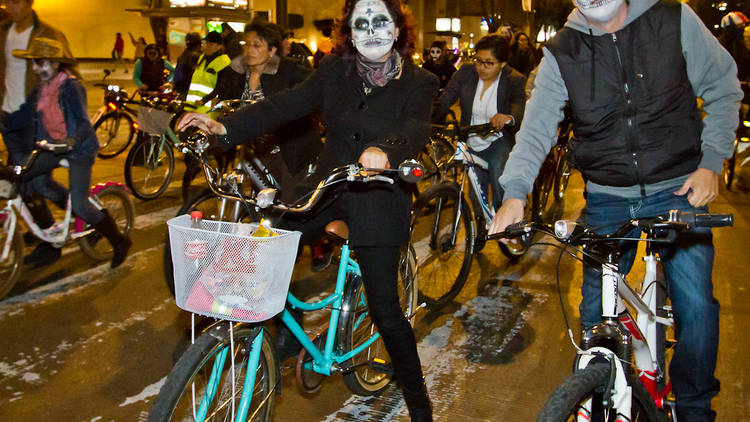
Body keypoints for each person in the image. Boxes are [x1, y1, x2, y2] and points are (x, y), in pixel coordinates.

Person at [177, 0, 438, 419]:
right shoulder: (335, 71)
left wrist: (383, 151)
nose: (371, 30)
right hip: (327, 185)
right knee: (264, 237)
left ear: (397, 28)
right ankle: (281, 334)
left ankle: (420, 405)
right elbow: (284, 105)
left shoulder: (420, 81)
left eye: (381, 22)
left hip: (380, 195)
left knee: (386, 309)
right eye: (361, 23)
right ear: (349, 32)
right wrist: (224, 126)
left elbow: (414, 128)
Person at [489, 1, 742, 420]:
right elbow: (536, 129)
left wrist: (711, 163)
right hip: (607, 194)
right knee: (594, 314)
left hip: (679, 186)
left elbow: (723, 86)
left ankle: (695, 406)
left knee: (695, 306)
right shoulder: (562, 51)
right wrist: (515, 193)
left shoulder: (672, 18)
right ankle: (605, 391)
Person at [3, 36, 132, 268]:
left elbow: (83, 124)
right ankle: (70, 212)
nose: (34, 68)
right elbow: (22, 115)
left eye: (38, 62)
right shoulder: (42, 88)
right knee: (35, 181)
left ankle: (119, 240)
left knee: (81, 204)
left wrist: (71, 141)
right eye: (32, 63)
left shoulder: (71, 87)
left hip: (78, 149)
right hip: (52, 147)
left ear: (54, 63)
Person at [0, 0, 77, 266]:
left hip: (36, 123)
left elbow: (68, 75)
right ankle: (41, 226)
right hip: (9, 118)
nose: (10, 6)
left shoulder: (49, 35)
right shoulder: (3, 31)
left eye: (16, 1)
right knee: (18, 183)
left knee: (35, 184)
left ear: (30, 2)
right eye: (6, 1)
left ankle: (72, 220)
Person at [435, 34, 526, 213]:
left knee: (499, 181)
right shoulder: (466, 72)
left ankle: (506, 226)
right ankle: (478, 233)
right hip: (472, 138)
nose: (481, 68)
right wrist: (428, 119)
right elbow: (446, 98)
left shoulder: (514, 79)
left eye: (489, 63)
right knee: (475, 194)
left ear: (502, 63)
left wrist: (508, 117)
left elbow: (519, 104)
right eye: (478, 61)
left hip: (497, 140)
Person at [185, 31, 230, 112]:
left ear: (219, 46)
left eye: (211, 44)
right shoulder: (201, 58)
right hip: (191, 107)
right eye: (206, 43)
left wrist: (204, 100)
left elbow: (221, 88)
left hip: (208, 110)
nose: (207, 46)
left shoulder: (223, 62)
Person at [172, 32, 201, 100]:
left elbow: (178, 76)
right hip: (195, 91)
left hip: (183, 90)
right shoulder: (201, 57)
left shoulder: (183, 56)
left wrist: (176, 88)